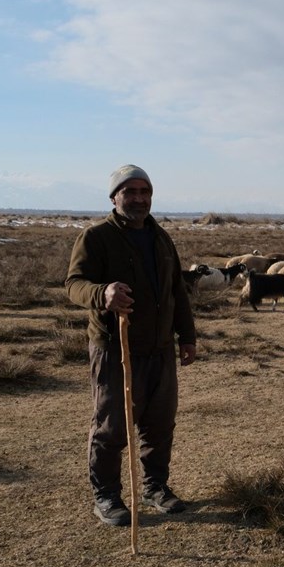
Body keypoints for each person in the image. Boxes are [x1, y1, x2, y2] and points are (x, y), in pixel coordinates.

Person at [65, 164, 197, 526]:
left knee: (160, 423)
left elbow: (176, 293)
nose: (139, 198)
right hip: (115, 348)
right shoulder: (96, 237)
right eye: (130, 192)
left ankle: (156, 487)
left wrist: (186, 337)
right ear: (114, 197)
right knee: (112, 426)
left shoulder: (161, 238)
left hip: (160, 349)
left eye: (145, 192)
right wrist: (101, 293)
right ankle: (106, 495)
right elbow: (74, 283)